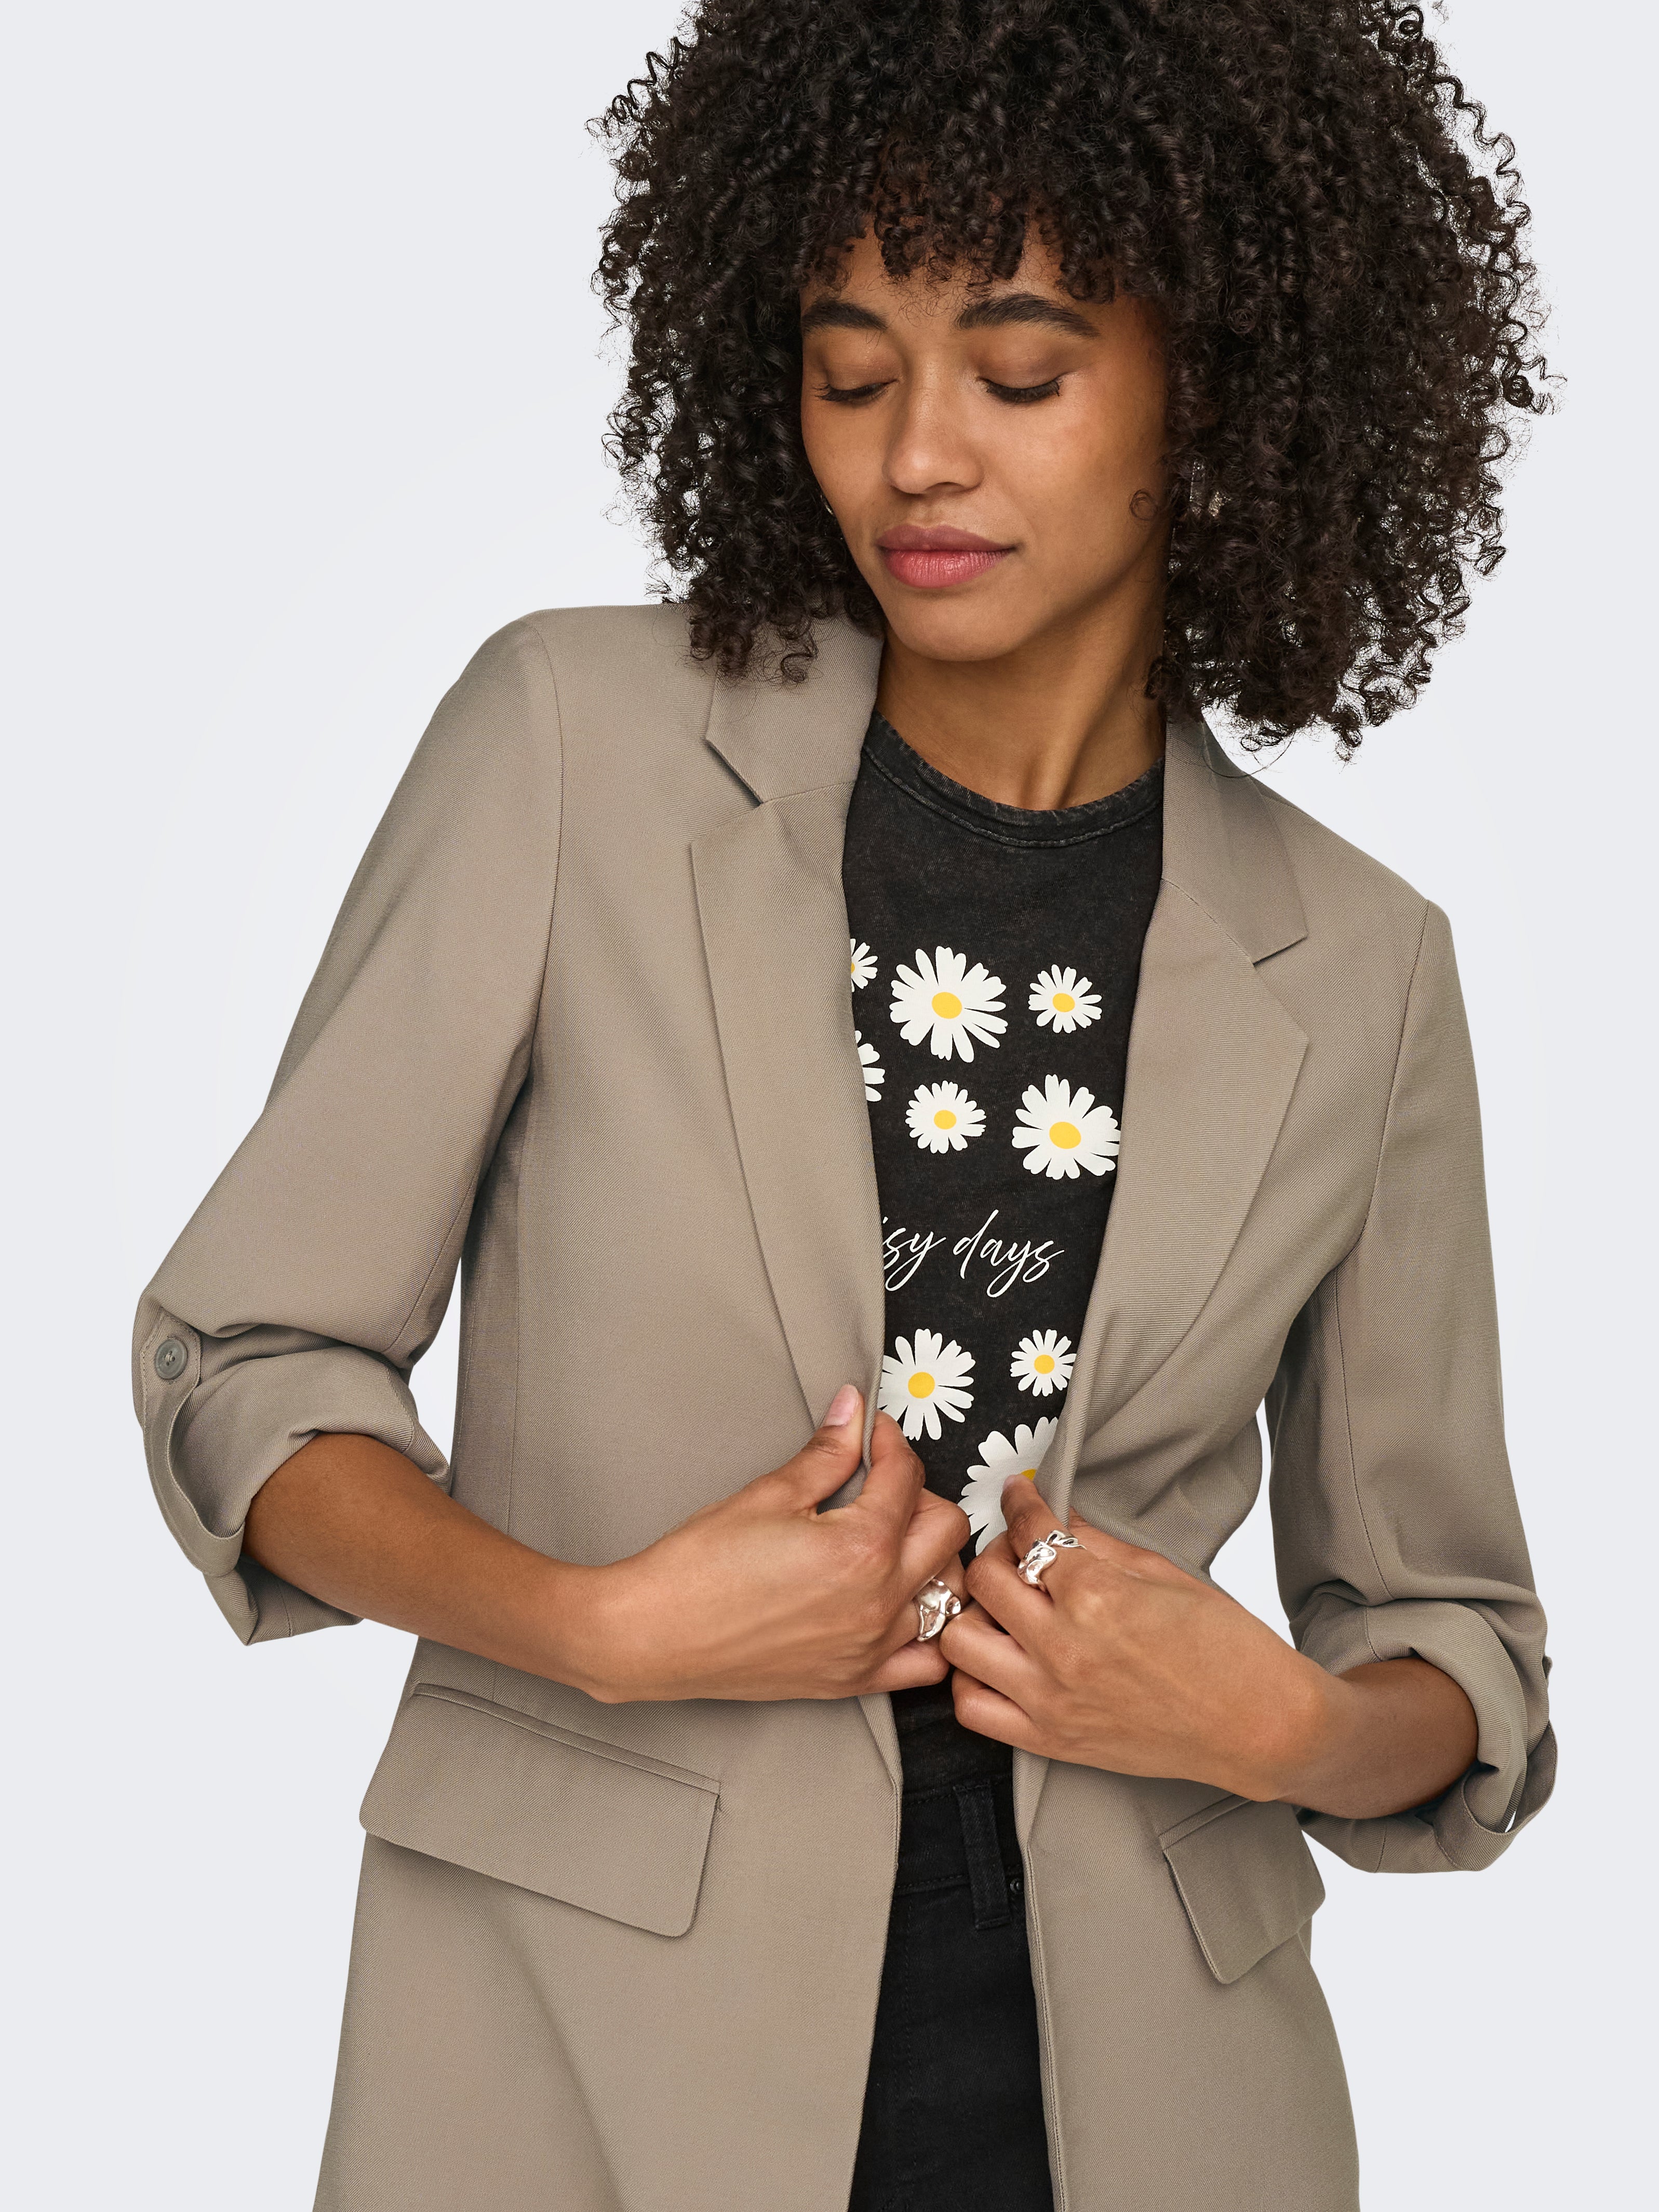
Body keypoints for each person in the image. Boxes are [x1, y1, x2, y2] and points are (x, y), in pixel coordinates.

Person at [131, 4, 1555, 2207]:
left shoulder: (1360, 968)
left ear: (1216, 385)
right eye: (850, 370)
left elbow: (1455, 1639)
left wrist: (1279, 1721)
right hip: (579, 2034)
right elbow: (246, 1363)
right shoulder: (577, 750)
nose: (915, 458)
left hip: (1148, 2089)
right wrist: (592, 1622)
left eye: (1020, 373)